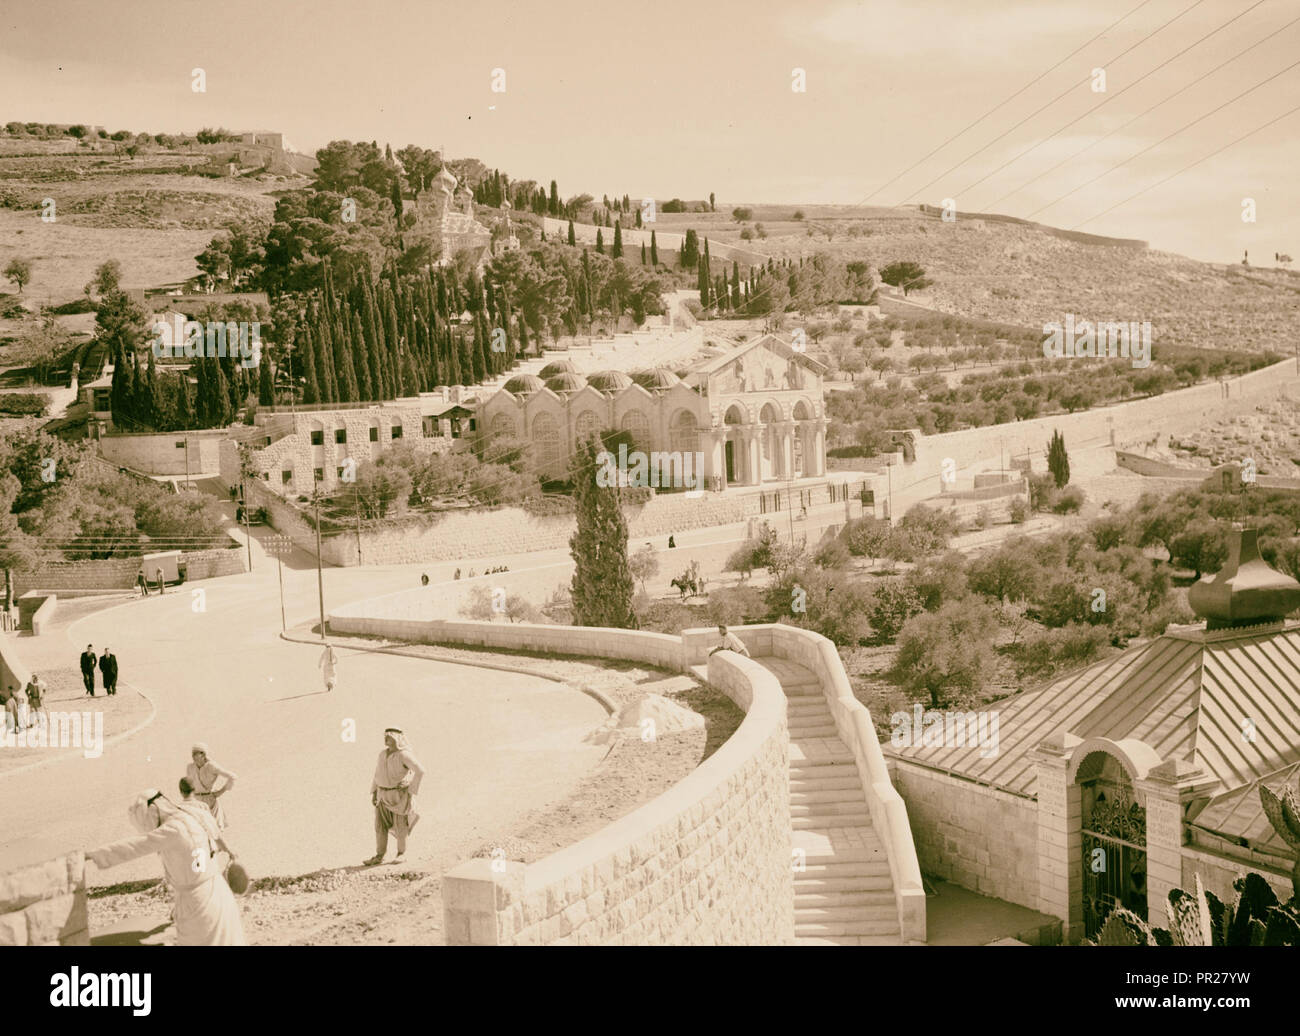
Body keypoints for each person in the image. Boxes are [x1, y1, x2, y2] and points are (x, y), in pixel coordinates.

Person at [86, 789, 246, 946]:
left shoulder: (173, 830)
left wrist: (92, 855)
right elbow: (214, 836)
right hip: (218, 891)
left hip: (198, 903)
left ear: (153, 811)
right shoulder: (192, 814)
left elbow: (134, 847)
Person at [365, 728, 425, 866]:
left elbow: (420, 771)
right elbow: (377, 773)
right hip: (382, 795)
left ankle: (401, 854)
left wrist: (410, 788)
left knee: (400, 826)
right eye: (385, 736)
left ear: (397, 739)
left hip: (399, 796)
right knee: (380, 826)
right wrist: (374, 791)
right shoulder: (382, 754)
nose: (386, 739)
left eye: (389, 737)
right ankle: (379, 855)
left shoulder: (404, 755)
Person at [186, 744, 236, 829]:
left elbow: (232, 776)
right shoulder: (190, 767)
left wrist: (221, 791)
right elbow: (189, 785)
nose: (193, 755)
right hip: (196, 802)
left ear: (203, 754)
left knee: (214, 832)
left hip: (210, 801)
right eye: (192, 753)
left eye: (196, 753)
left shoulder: (211, 766)